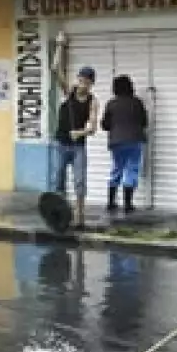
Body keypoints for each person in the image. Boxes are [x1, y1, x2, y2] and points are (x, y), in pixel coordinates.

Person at [51, 54, 99, 226]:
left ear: (91, 84)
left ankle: (80, 216)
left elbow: (93, 128)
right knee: (59, 179)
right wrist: (59, 45)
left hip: (78, 146)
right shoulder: (68, 92)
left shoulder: (93, 101)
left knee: (79, 181)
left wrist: (80, 133)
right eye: (82, 79)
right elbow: (55, 67)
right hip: (61, 144)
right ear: (78, 79)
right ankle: (61, 213)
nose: (83, 84)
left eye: (87, 82)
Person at [100, 74, 148, 214]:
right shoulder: (137, 102)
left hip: (117, 141)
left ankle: (111, 202)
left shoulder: (111, 103)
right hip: (134, 140)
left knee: (117, 168)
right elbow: (144, 122)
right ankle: (128, 204)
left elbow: (105, 125)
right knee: (132, 169)